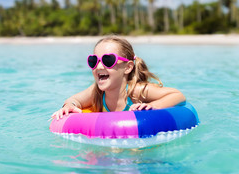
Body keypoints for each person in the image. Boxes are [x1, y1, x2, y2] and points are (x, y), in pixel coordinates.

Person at [51, 35, 185, 120]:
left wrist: (152, 106)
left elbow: (178, 95)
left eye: (108, 60)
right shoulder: (97, 92)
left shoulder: (136, 91)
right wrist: (69, 106)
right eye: (94, 61)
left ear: (128, 67)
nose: (99, 67)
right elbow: (74, 100)